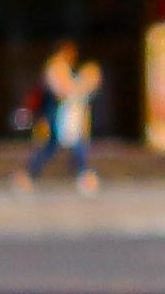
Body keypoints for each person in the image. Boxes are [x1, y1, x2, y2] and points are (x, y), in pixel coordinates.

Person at [18, 40, 102, 195]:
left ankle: (83, 174)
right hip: (57, 114)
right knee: (63, 144)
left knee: (64, 145)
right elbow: (62, 90)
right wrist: (82, 84)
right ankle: (84, 175)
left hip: (62, 113)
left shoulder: (60, 67)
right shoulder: (57, 67)